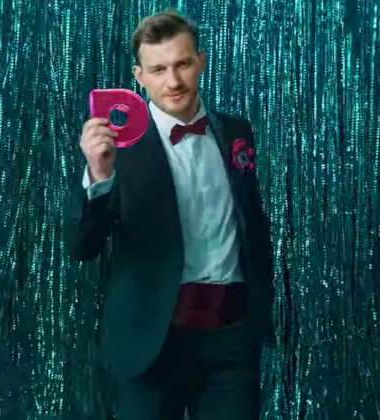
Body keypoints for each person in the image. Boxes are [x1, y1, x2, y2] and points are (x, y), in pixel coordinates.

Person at [64, 10, 275, 420]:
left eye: (182, 64)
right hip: (152, 342)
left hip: (232, 340)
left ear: (201, 61)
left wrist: (259, 317)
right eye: (158, 69)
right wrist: (100, 175)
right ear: (139, 76)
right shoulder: (116, 149)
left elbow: (253, 223)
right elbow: (81, 246)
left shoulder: (236, 132)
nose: (173, 81)